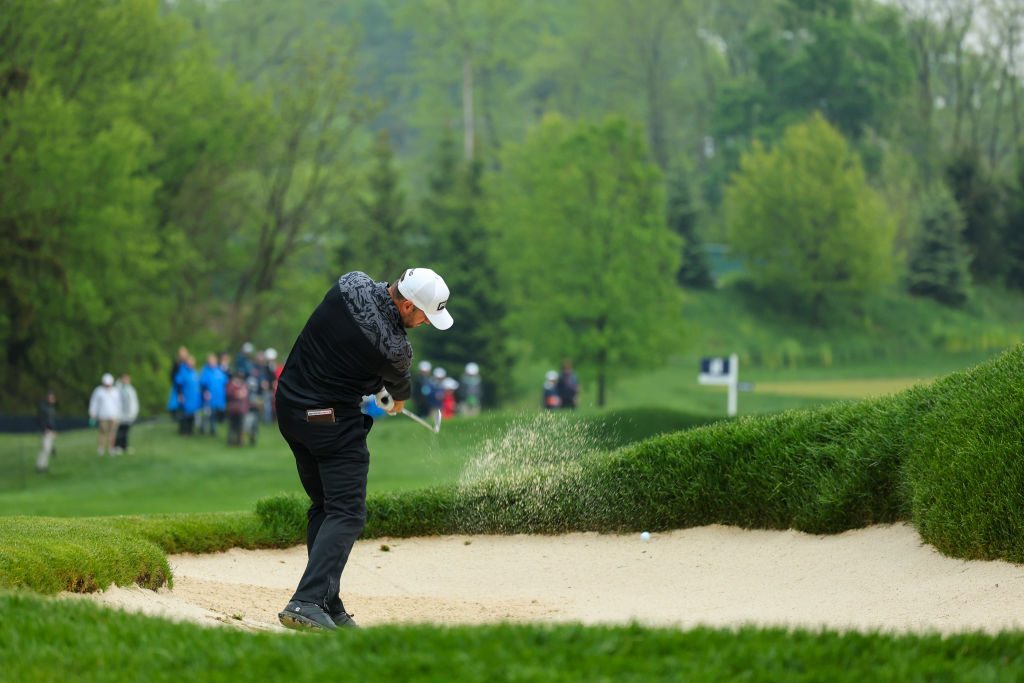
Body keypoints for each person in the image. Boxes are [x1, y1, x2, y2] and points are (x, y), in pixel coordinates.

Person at [274, 267, 453, 631]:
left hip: (291, 409)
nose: (424, 324)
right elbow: (398, 387)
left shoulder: (349, 283)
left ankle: (326, 600)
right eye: (424, 316)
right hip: (327, 421)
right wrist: (393, 398)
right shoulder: (397, 351)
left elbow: (347, 348)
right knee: (348, 512)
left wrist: (372, 383)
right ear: (406, 306)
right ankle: (306, 601)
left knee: (326, 506)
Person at [89, 373, 121, 455]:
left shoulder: (115, 391)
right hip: (102, 415)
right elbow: (94, 402)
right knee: (102, 432)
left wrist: (118, 414)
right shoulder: (98, 391)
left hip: (113, 415)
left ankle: (111, 448)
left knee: (112, 433)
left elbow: (118, 404)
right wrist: (93, 413)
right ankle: (101, 449)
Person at [199, 354, 228, 436]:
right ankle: (203, 428)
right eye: (211, 361)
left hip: (218, 397)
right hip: (209, 397)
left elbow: (225, 381)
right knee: (207, 414)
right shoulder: (205, 371)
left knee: (214, 414)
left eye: (214, 361)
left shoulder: (219, 371)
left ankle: (213, 429)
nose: (212, 362)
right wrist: (205, 392)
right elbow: (202, 383)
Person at [113, 374, 139, 454]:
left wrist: (133, 412)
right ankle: (117, 446)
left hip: (129, 414)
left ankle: (124, 446)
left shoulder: (130, 389)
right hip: (121, 414)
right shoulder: (119, 389)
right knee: (120, 431)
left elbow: (133, 402)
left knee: (126, 431)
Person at [36, 391, 58, 473]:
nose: (53, 400)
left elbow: (52, 421)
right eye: (52, 398)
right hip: (45, 431)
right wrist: (44, 429)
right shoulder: (44, 408)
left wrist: (54, 431)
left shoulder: (51, 408)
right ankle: (40, 467)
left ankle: (43, 466)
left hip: (50, 431)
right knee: (45, 448)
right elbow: (41, 420)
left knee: (47, 449)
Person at [225, 372, 249, 446]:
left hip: (240, 409)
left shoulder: (242, 385)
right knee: (233, 426)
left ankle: (239, 441)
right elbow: (229, 394)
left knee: (240, 426)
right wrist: (237, 394)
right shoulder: (231, 385)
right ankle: (232, 441)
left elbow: (245, 394)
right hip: (233, 409)